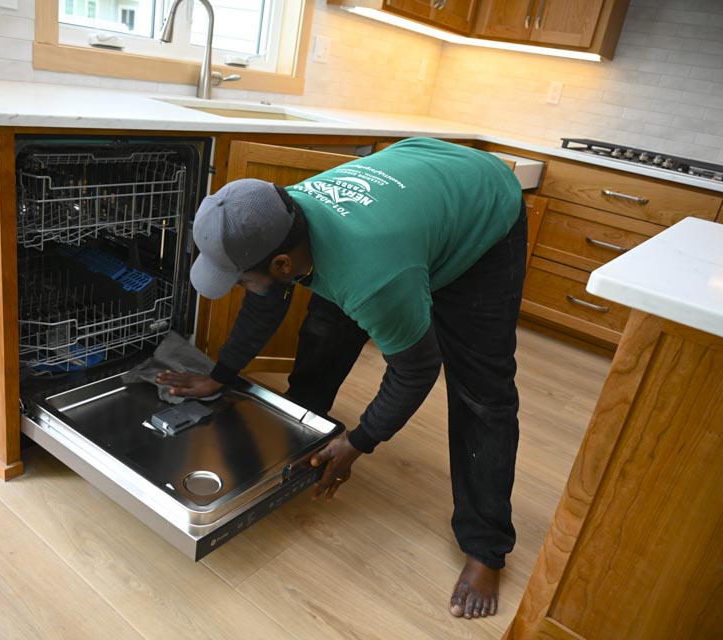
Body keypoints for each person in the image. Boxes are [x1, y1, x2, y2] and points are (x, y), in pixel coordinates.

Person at [157, 137, 526, 620]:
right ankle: (305, 431)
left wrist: (360, 441)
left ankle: (486, 547)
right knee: (327, 324)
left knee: (482, 391)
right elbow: (266, 299)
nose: (242, 288)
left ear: (284, 263)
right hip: (416, 178)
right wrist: (221, 375)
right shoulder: (278, 215)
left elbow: (416, 370)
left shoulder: (375, 277)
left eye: (241, 278)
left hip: (483, 200)